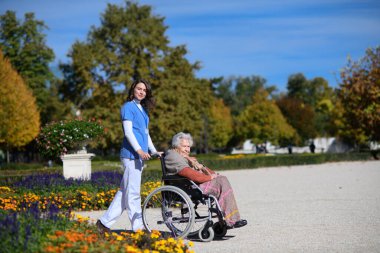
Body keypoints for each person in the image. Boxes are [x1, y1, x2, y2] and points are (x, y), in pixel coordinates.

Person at [97, 79, 159, 233]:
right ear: (133, 90)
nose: (142, 92)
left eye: (144, 90)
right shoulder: (128, 107)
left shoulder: (143, 111)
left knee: (125, 191)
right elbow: (129, 132)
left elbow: (145, 133)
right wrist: (138, 150)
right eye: (139, 89)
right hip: (131, 155)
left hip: (139, 156)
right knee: (133, 192)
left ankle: (103, 224)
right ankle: (138, 228)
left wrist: (154, 150)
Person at [164, 132, 247, 229]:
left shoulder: (183, 157)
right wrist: (210, 177)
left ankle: (228, 220)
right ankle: (232, 220)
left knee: (221, 179)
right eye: (184, 146)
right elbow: (190, 174)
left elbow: (205, 171)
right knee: (222, 182)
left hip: (193, 185)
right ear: (176, 146)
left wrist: (203, 168)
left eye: (188, 146)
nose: (187, 149)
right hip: (189, 187)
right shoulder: (173, 157)